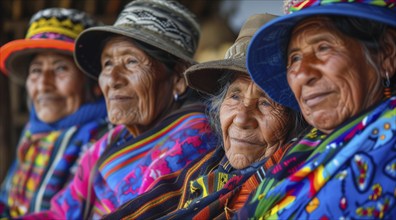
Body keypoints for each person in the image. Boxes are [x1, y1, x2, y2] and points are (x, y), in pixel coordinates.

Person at [103, 13, 308, 220]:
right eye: (235, 96)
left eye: (266, 103)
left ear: (297, 117)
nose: (241, 119)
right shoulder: (208, 168)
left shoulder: (293, 187)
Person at [24, 0, 216, 219]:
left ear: (179, 79)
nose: (112, 80)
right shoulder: (109, 142)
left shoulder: (196, 140)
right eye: (107, 64)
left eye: (131, 62)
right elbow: (58, 215)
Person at [236, 0, 396, 219]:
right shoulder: (303, 149)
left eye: (323, 48)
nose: (302, 74)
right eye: (295, 58)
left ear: (387, 53)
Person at [0, 8, 109, 218]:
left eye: (61, 69)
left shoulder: (102, 141)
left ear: (94, 83)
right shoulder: (32, 133)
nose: (43, 85)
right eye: (36, 70)